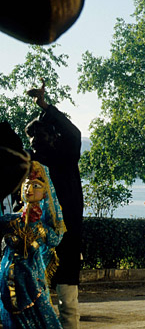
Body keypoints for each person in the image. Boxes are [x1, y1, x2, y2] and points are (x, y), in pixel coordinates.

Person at [25, 82, 84, 328]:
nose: (35, 141)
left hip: (66, 233)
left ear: (53, 136)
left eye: (40, 135)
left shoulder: (66, 155)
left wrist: (45, 106)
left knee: (67, 295)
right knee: (33, 294)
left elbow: (74, 134)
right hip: (36, 237)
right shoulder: (32, 164)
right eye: (32, 137)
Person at [0, 161, 66, 328]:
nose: (29, 190)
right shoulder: (13, 220)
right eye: (27, 185)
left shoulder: (42, 226)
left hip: (32, 275)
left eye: (36, 185)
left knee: (39, 310)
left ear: (45, 193)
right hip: (10, 273)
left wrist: (35, 241)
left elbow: (55, 238)